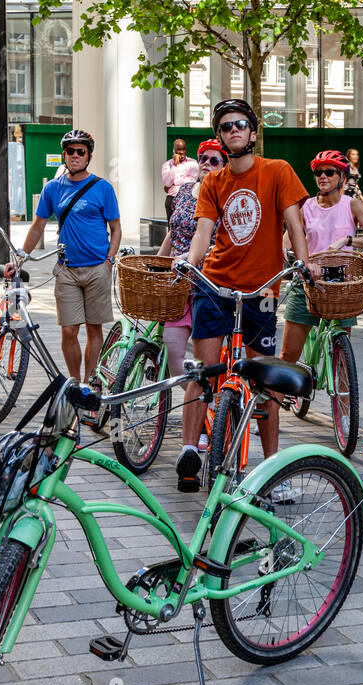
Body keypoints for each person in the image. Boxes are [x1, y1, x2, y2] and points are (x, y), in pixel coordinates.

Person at [176, 99, 318, 492]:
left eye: (240, 124)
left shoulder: (277, 171)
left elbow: (295, 222)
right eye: (226, 126)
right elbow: (204, 233)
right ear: (220, 137)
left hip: (262, 291)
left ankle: (273, 470)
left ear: (253, 132)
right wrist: (190, 263)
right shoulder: (213, 183)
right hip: (216, 285)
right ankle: (189, 449)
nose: (234, 130)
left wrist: (304, 263)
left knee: (267, 380)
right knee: (204, 372)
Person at [11, 129, 122, 390]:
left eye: (80, 151)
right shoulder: (53, 188)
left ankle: (89, 383)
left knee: (94, 330)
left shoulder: (102, 188)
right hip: (67, 270)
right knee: (69, 330)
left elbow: (116, 228)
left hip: (97, 268)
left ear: (88, 156)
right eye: (70, 151)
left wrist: (109, 260)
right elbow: (37, 226)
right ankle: (74, 384)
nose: (74, 155)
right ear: (64, 154)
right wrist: (20, 258)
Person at [279, 149, 363, 366]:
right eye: (318, 173)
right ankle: (286, 397)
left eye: (329, 172)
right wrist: (284, 253)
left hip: (342, 286)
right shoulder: (306, 206)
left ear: (343, 178)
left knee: (342, 359)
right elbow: (288, 239)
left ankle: (345, 399)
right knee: (288, 356)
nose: (323, 177)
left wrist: (348, 240)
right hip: (308, 282)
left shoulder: (352, 205)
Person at [156, 138, 225, 463]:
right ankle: (206, 406)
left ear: (224, 165)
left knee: (205, 363)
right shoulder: (184, 193)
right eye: (203, 159)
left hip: (211, 288)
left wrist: (193, 256)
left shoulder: (227, 198)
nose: (207, 164)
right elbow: (174, 229)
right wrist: (159, 261)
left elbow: (226, 243)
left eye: (214, 159)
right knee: (174, 356)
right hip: (179, 284)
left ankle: (205, 423)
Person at [161, 138, 199, 220]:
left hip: (188, 199)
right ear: (174, 150)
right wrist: (175, 165)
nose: (181, 152)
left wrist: (175, 183)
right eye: (178, 149)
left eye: (183, 149)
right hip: (172, 199)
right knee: (171, 228)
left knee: (187, 227)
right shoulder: (167, 165)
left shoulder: (193, 163)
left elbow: (191, 183)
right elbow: (167, 183)